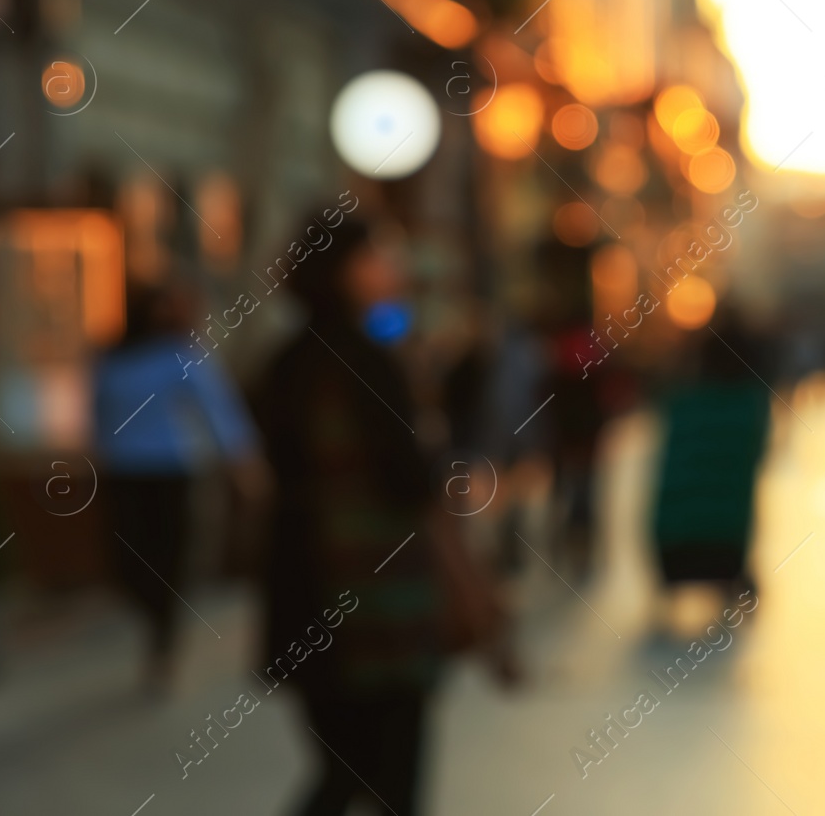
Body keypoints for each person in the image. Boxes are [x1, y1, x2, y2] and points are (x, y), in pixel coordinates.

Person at [255, 217, 511, 816]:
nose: (393, 270)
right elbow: (411, 484)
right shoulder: (371, 361)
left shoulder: (286, 361)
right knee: (390, 782)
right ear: (344, 269)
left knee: (340, 772)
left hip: (304, 589)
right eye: (379, 257)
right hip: (381, 604)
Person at [93, 277, 269, 692]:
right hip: (124, 470)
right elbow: (98, 411)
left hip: (171, 469)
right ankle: (153, 616)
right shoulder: (112, 359)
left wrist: (243, 464)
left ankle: (163, 640)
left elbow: (219, 411)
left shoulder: (183, 357)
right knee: (128, 559)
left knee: (168, 556)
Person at [651, 316, 771, 599]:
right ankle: (733, 575)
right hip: (727, 540)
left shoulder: (683, 404)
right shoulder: (749, 406)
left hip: (674, 542)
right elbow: (757, 455)